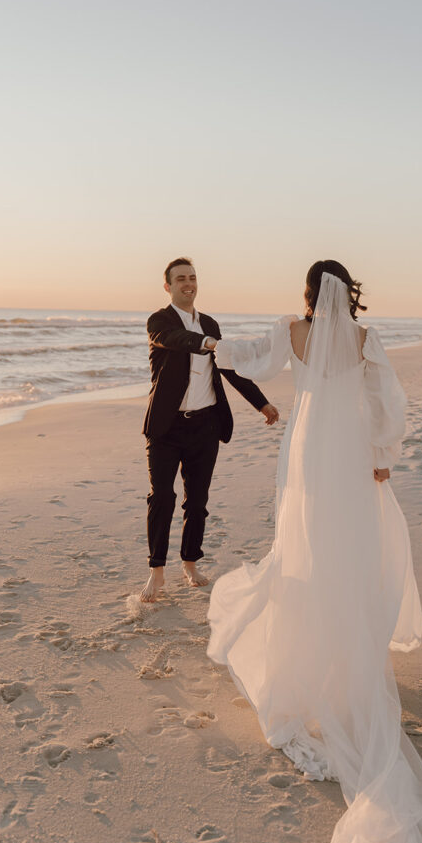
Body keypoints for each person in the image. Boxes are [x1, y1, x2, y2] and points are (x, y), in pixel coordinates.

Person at [206, 261, 422, 843]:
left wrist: (213, 345)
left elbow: (256, 360)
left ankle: (317, 640)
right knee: (352, 542)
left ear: (309, 295)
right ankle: (352, 642)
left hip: (309, 447)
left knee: (307, 543)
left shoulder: (292, 331)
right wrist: (382, 454)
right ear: (350, 293)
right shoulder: (367, 341)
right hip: (347, 447)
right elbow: (386, 402)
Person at [140, 257, 279, 603]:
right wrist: (208, 343)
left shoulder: (211, 323)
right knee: (162, 497)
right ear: (168, 286)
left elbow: (230, 370)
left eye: (192, 278)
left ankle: (190, 564)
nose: (188, 283)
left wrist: (261, 403)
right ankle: (157, 571)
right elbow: (175, 339)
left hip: (204, 425)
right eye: (180, 279)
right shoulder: (159, 321)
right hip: (166, 427)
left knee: (197, 501)